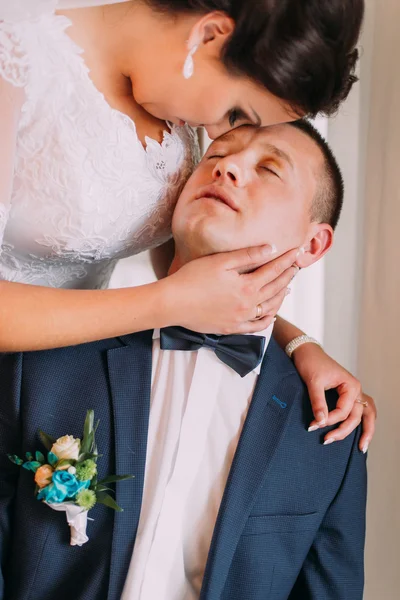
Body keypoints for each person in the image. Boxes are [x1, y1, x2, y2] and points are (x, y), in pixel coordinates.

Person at [0, 121, 367, 600]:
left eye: (269, 168)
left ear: (313, 244)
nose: (227, 166)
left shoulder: (331, 430)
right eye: (215, 155)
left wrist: (299, 343)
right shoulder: (46, 366)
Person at [0, 0, 374, 455]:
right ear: (209, 34)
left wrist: (292, 342)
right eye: (238, 114)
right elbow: (178, 295)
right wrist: (167, 303)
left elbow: (188, 270)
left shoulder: (180, 101)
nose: (221, 138)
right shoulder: (15, 59)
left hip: (54, 389)